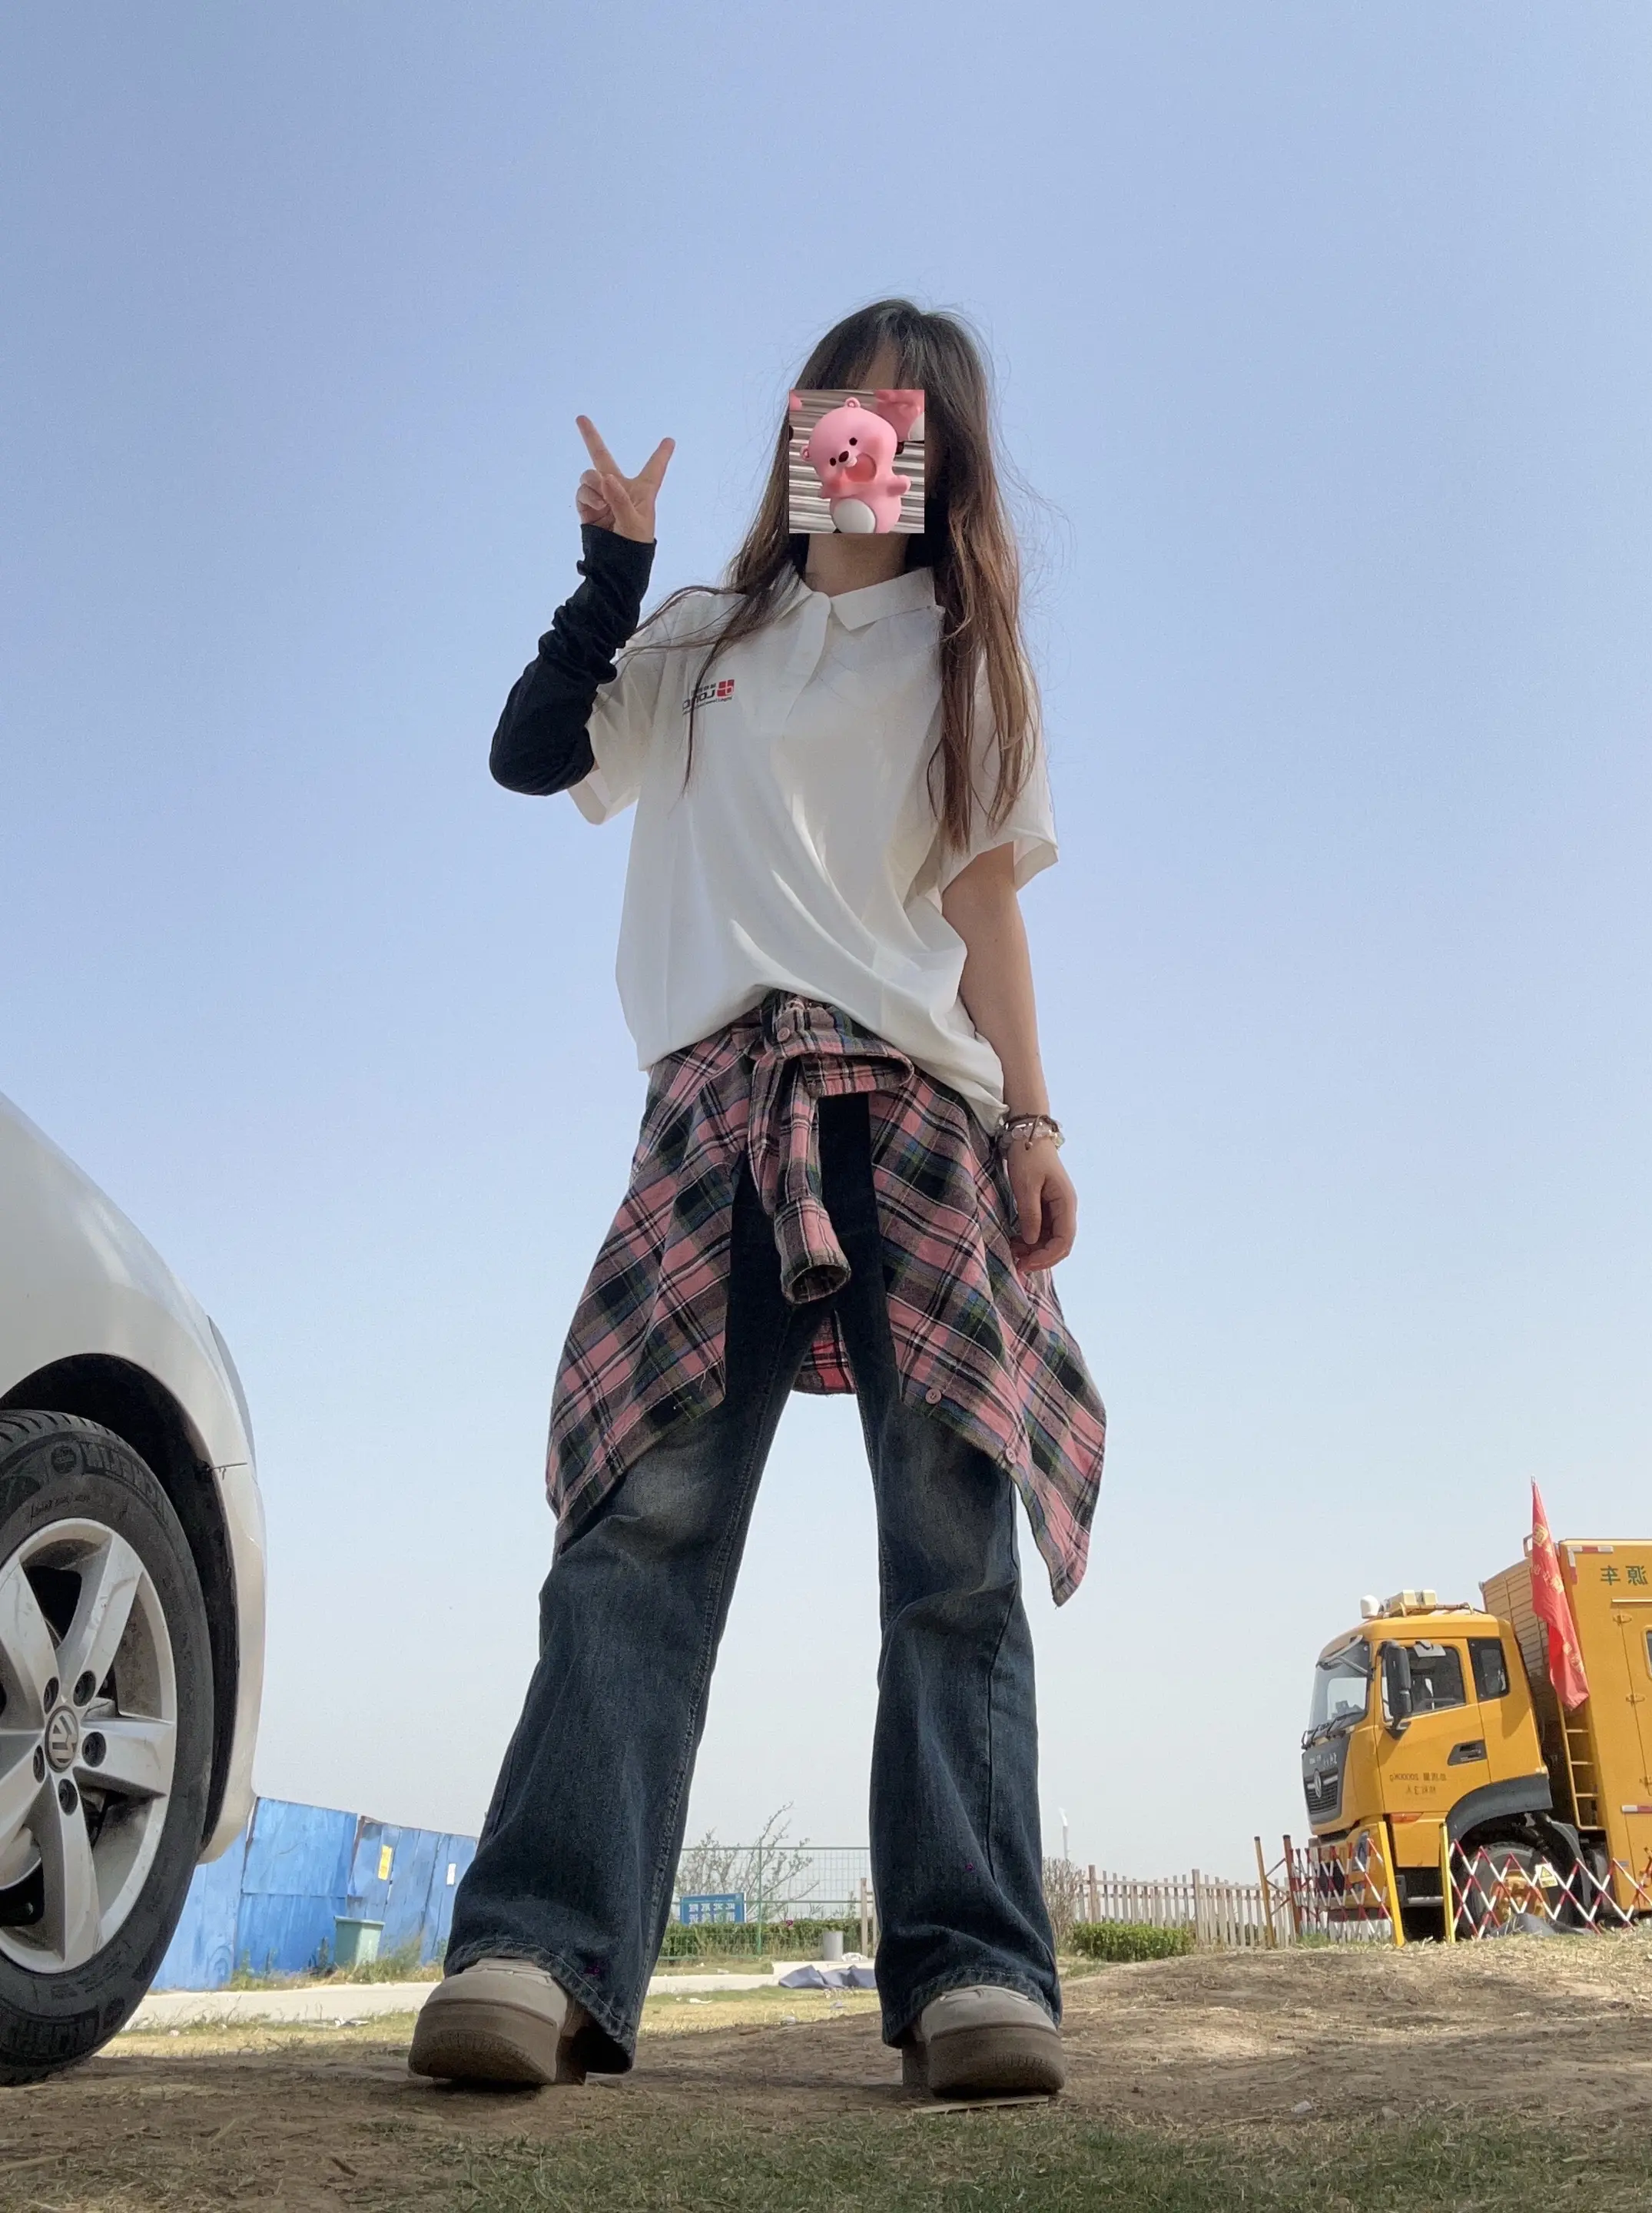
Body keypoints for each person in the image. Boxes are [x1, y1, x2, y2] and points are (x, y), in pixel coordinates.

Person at [410, 299, 1106, 2101]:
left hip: (919, 1110)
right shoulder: (707, 634)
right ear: (800, 430)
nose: (858, 436)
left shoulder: (969, 659)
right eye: (833, 405)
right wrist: (611, 572)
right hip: (718, 1102)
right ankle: (538, 1949)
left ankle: (975, 1971)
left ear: (939, 452)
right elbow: (531, 755)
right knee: (640, 1524)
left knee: (949, 1545)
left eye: (897, 415)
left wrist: (1037, 1122)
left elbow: (986, 906)